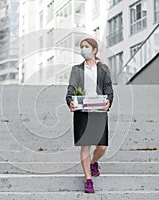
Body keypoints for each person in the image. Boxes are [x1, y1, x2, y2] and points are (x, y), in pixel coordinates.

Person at [65, 38, 114, 193]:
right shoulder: (76, 69)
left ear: (94, 50)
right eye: (81, 47)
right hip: (82, 112)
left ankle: (94, 162)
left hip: (99, 112)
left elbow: (109, 89)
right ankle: (88, 180)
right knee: (85, 147)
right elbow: (71, 89)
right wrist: (70, 101)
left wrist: (109, 101)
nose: (83, 49)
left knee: (102, 147)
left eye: (86, 47)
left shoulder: (104, 69)